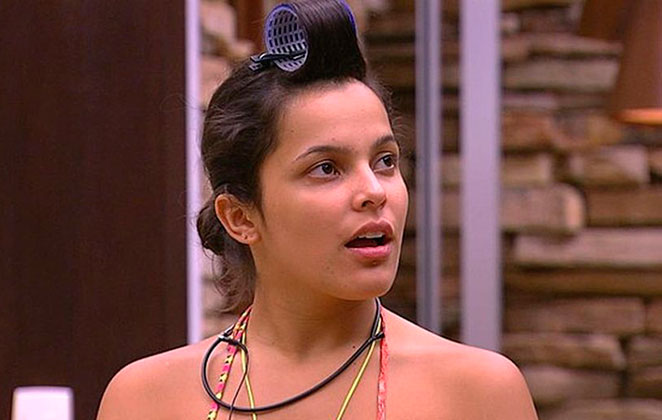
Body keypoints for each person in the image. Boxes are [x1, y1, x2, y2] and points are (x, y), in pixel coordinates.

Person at [96, 1, 539, 419]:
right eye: (327, 168)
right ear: (240, 217)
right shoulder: (145, 399)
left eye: (385, 161)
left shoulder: (477, 393)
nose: (374, 191)